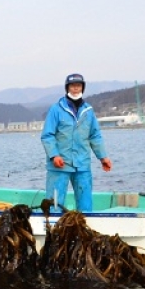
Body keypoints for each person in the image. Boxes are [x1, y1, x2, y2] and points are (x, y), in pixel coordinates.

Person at [40, 73, 112, 212]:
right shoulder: (56, 109)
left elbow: (95, 135)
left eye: (78, 85)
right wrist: (54, 155)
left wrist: (103, 157)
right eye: (72, 86)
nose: (75, 88)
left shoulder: (88, 111)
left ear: (82, 88)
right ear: (67, 88)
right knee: (54, 204)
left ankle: (84, 228)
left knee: (85, 205)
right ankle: (53, 229)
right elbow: (47, 135)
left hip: (82, 164)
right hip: (60, 165)